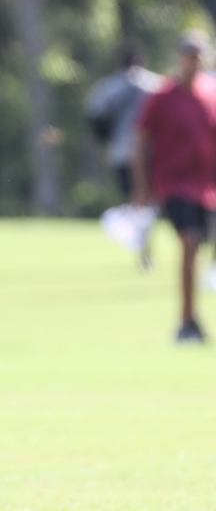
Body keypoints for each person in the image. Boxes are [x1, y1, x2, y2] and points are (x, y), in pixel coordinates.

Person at [132, 30, 216, 343]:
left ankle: (191, 318)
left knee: (199, 250)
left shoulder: (211, 94)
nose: (193, 61)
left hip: (207, 188)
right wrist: (142, 188)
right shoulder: (163, 97)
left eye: (198, 55)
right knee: (191, 243)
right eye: (188, 54)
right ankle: (186, 321)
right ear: (180, 57)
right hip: (174, 184)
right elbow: (141, 143)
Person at [85, 42, 162, 269]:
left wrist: (106, 138)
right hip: (150, 151)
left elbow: (94, 114)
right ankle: (145, 249)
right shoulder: (155, 84)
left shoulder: (109, 86)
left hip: (121, 150)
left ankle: (142, 249)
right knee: (148, 201)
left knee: (134, 199)